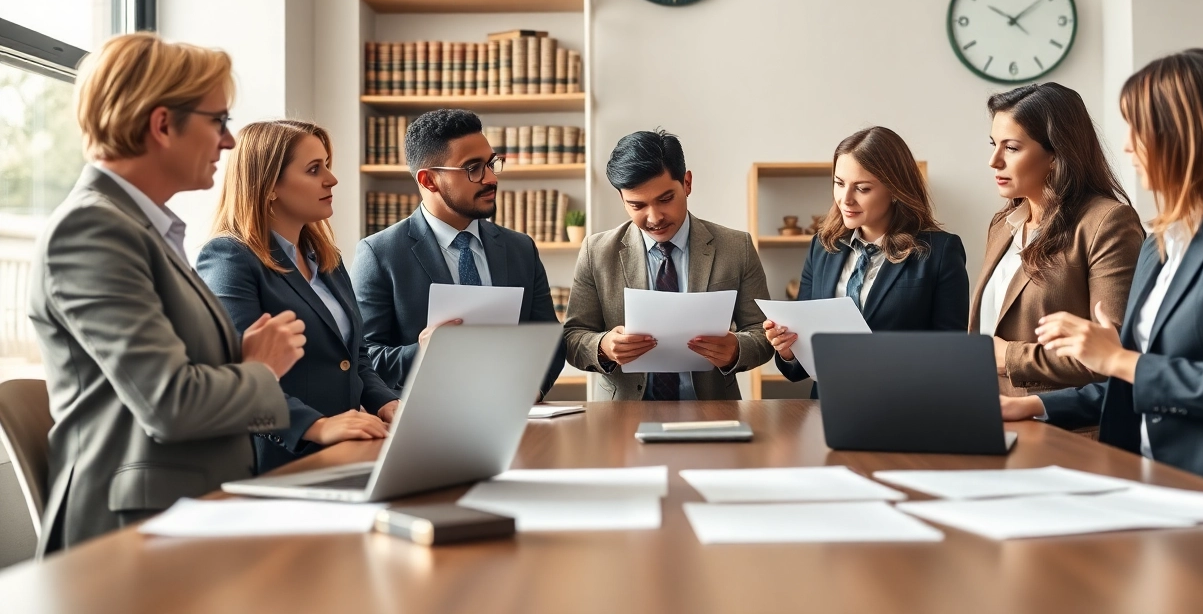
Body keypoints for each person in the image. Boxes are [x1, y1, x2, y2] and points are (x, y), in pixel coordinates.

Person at [1004, 49, 1203, 512]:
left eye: (1138, 129)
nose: (1127, 146)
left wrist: (1117, 359)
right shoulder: (1162, 239)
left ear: (1185, 134)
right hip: (1152, 481)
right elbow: (1143, 379)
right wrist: (1036, 406)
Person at [30, 33, 303, 553]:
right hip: (132, 538)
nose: (228, 141)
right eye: (218, 121)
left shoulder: (144, 229)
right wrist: (261, 370)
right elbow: (170, 403)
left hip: (192, 512)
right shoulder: (93, 229)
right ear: (161, 124)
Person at [197, 120, 400, 473]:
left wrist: (386, 404)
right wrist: (314, 425)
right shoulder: (229, 258)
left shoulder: (327, 257)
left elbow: (355, 355)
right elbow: (239, 371)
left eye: (327, 166)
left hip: (347, 452)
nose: (331, 179)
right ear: (269, 185)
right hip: (275, 459)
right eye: (313, 169)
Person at [353, 108, 564, 395]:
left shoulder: (520, 248)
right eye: (473, 168)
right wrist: (422, 351)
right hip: (424, 426)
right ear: (429, 181)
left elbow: (549, 340)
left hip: (515, 421)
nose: (491, 178)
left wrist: (530, 391)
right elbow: (363, 360)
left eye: (491, 164)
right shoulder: (379, 254)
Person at [563, 129, 772, 400]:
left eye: (665, 199)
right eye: (637, 205)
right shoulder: (597, 252)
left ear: (686, 183)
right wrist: (603, 346)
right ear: (622, 199)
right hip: (621, 417)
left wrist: (736, 349)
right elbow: (572, 337)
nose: (654, 217)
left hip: (713, 410)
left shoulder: (736, 247)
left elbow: (763, 333)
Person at [763, 127, 968, 398]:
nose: (845, 199)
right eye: (839, 183)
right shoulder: (823, 247)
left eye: (862, 188)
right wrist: (788, 350)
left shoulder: (940, 251)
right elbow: (798, 368)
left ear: (895, 190)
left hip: (906, 410)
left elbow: (950, 355)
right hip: (828, 410)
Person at [971, 83, 1144, 398]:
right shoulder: (1002, 225)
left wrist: (1008, 357)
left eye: (1011, 147)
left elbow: (1113, 351)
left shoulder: (1107, 223)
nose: (994, 160)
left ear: (1055, 154)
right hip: (989, 414)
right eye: (993, 144)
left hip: (1064, 428)